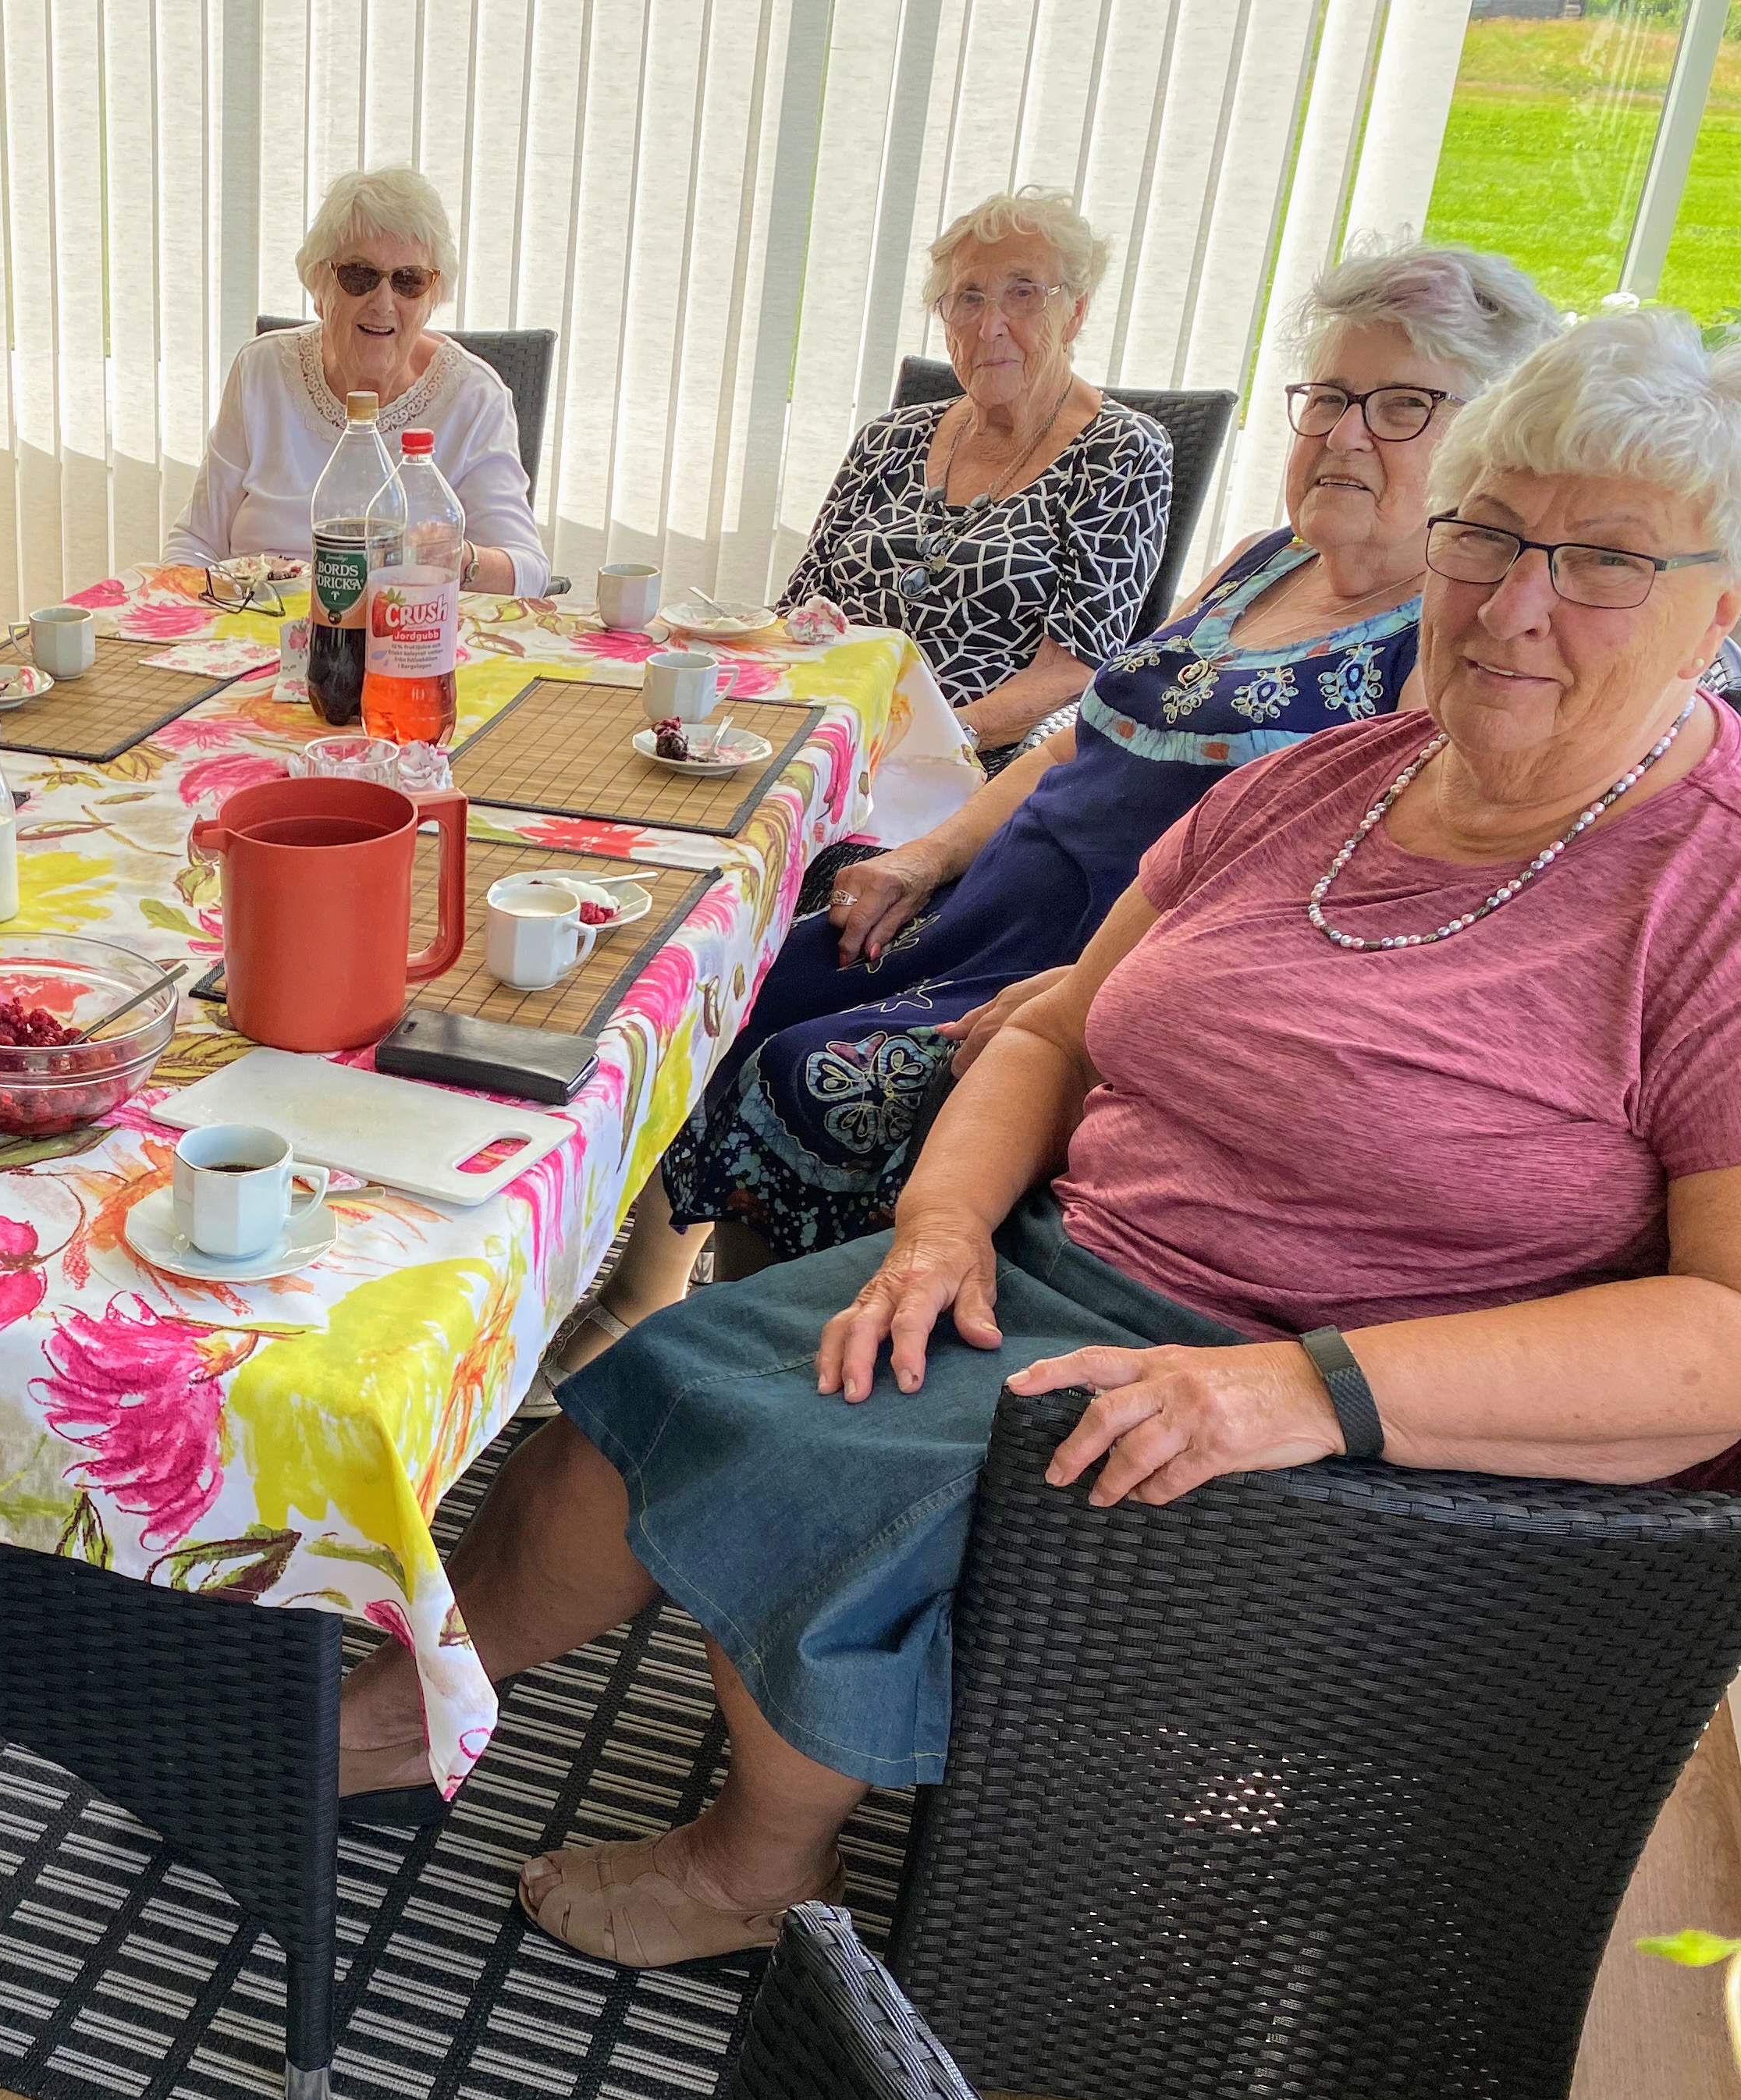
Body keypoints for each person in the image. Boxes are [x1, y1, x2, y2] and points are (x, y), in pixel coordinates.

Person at [339, 304, 1741, 1968]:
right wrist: (938, 1230)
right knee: (660, 1386)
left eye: (1603, 564)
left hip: (1334, 1401)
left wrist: (1301, 1388)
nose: (1516, 605)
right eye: (1491, 535)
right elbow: (1065, 1025)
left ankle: (759, 1864)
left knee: (809, 1461)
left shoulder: (1703, 887)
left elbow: (1720, 1338)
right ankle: (401, 1709)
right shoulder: (1329, 781)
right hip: (1064, 1269)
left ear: (1718, 607)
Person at [545, 246, 1560, 1384]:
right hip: (990, 898)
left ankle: (761, 1362)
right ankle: (648, 1305)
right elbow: (1092, 727)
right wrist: (927, 854)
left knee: (818, 1068)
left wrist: (1090, 995)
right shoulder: (1264, 559)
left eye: (1403, 406)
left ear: (1490, 439)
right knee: (744, 966)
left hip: (1096, 964)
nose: (1344, 435)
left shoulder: (1442, 639)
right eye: (1325, 397)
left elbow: (1332, 918)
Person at [784, 187, 1171, 759]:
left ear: (1076, 313)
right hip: (819, 737)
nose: (990, 325)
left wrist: (922, 742)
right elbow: (798, 609)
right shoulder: (888, 439)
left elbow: (1071, 673)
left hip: (964, 760)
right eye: (967, 298)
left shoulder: (1121, 451)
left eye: (1023, 294)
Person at [168, 166, 550, 596]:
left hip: (407, 643)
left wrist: (456, 560)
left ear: (432, 298)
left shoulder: (474, 399)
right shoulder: (261, 371)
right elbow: (195, 543)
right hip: (255, 633)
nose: (383, 303)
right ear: (319, 285)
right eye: (359, 275)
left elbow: (530, 572)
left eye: (409, 280)